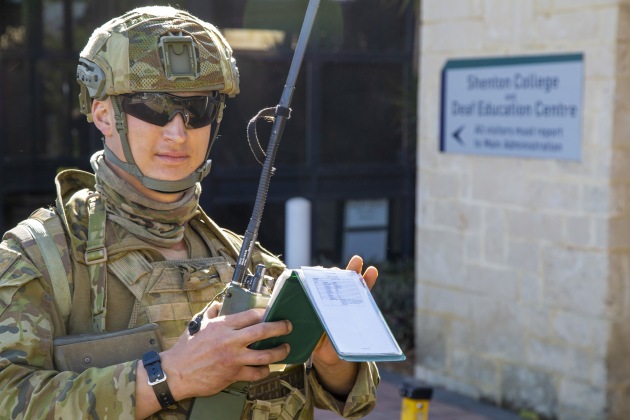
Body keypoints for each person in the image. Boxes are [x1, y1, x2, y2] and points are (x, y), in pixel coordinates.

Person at [0, 6, 380, 420]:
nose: (178, 133)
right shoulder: (39, 259)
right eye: (152, 107)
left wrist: (332, 360)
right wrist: (170, 376)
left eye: (197, 109)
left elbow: (337, 394)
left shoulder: (248, 263)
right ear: (102, 113)